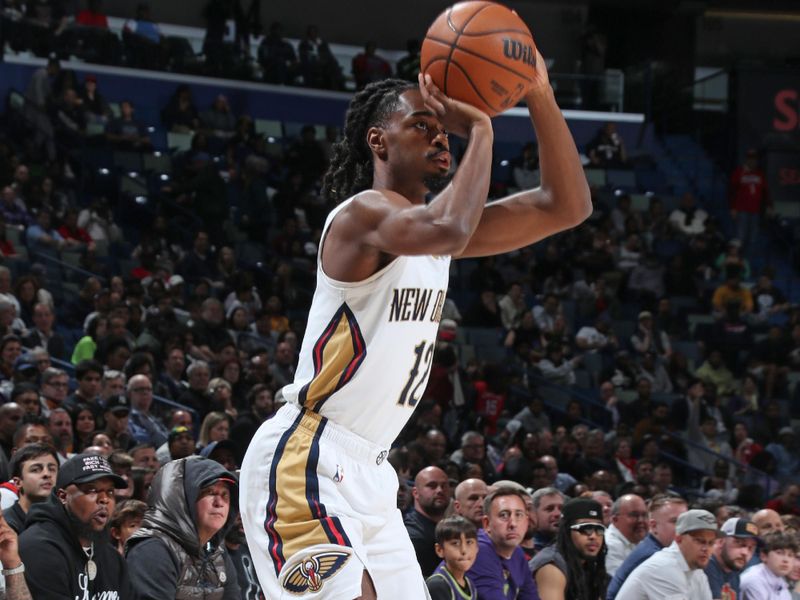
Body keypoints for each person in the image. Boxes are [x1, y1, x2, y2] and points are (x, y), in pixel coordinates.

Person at [241, 41, 591, 600]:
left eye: (443, 128)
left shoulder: (435, 236)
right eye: (423, 124)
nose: (439, 135)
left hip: (374, 472)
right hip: (309, 456)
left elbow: (565, 206)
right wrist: (482, 128)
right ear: (378, 140)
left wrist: (539, 94)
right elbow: (450, 225)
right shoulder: (362, 214)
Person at [18, 453, 136, 598]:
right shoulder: (38, 547)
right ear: (63, 496)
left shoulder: (112, 558)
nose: (104, 499)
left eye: (110, 491)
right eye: (91, 490)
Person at [126, 456, 240, 598]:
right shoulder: (151, 550)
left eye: (225, 495)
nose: (219, 503)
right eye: (210, 492)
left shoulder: (217, 552)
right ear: (183, 499)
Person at [615, 509, 718, 600]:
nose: (706, 549)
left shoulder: (697, 571)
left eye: (711, 543)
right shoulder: (664, 568)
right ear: (679, 539)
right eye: (700, 541)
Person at [606, 493, 688, 600]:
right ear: (653, 526)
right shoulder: (652, 557)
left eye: (686, 522)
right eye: (675, 522)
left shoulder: (653, 547)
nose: (684, 528)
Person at [467, 487, 538, 599]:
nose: (513, 523)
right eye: (504, 515)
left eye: (518, 515)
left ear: (527, 521)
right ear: (486, 523)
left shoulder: (517, 552)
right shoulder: (478, 551)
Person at [530, 497, 608, 600]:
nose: (593, 536)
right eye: (585, 528)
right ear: (567, 532)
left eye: (599, 529)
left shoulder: (590, 566)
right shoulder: (551, 567)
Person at [405, 466, 452, 578]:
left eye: (444, 485)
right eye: (432, 486)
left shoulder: (450, 527)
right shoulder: (412, 534)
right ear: (415, 493)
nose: (440, 490)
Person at [2, 443, 59, 533]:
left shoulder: (65, 520)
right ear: (17, 482)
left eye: (51, 469)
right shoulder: (5, 525)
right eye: (35, 470)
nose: (47, 474)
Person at [704, 517, 760, 600]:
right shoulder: (707, 565)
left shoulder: (734, 572)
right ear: (720, 541)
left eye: (751, 548)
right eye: (739, 543)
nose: (745, 552)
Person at [426, 516, 478, 600]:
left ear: (477, 548)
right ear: (439, 550)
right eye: (455, 543)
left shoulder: (470, 585)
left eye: (469, 542)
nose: (464, 550)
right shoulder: (437, 585)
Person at [740, 532, 797, 600]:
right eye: (780, 553)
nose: (786, 560)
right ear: (764, 556)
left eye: (790, 555)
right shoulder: (754, 580)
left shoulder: (781, 582)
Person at [605, 494, 648, 576]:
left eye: (644, 515)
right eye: (634, 515)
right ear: (615, 520)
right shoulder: (609, 545)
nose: (641, 520)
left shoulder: (639, 540)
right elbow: (619, 581)